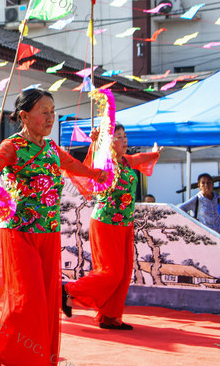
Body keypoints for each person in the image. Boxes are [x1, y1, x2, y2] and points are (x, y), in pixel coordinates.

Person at [0, 87, 108, 366]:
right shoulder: (12, 146)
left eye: (53, 112)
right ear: (24, 115)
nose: (50, 117)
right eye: (44, 112)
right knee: (26, 299)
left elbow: (74, 166)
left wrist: (97, 175)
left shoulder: (52, 149)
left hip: (48, 234)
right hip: (19, 233)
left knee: (44, 303)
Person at [63, 125, 161, 330]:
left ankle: (110, 317)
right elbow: (89, 166)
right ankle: (69, 291)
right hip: (105, 223)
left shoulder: (125, 161)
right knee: (110, 273)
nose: (124, 140)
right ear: (109, 142)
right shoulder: (104, 162)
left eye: (125, 136)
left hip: (125, 224)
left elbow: (140, 158)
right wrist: (95, 142)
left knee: (123, 274)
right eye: (119, 137)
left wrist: (154, 154)